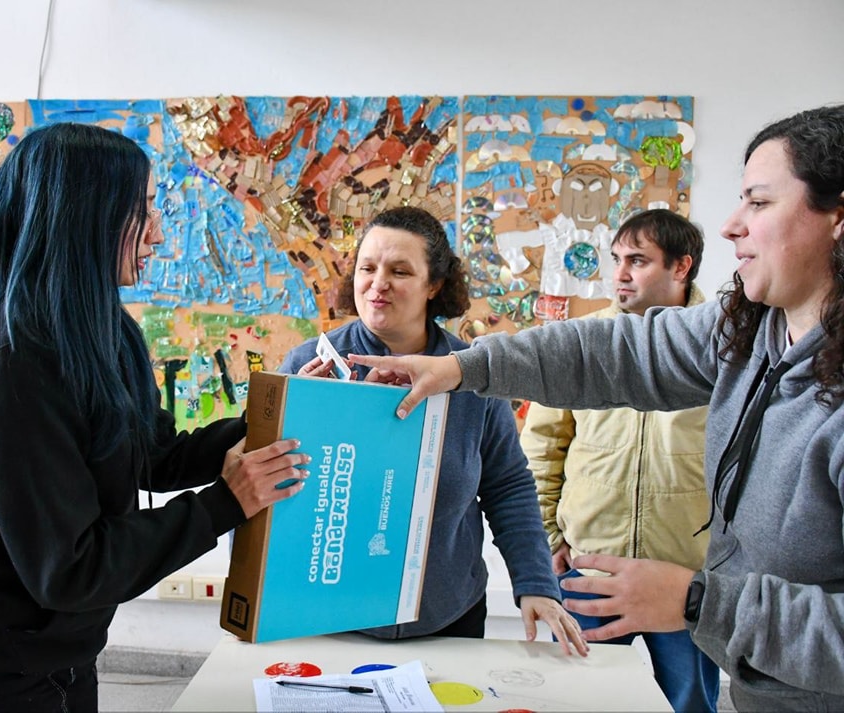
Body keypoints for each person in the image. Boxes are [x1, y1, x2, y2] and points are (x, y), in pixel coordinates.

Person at [349, 104, 844, 711]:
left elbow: (506, 483)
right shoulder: (749, 333)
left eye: (759, 203)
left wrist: (700, 602)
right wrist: (464, 368)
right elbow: (608, 351)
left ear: (837, 217)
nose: (732, 225)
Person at [0, 122, 309, 711]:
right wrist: (223, 504)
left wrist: (280, 415)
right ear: (84, 220)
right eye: (142, 212)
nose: (157, 234)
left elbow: (152, 454)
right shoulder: (9, 359)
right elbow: (71, 567)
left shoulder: (98, 330)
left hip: (54, 645)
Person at [279, 206, 587, 655]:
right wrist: (313, 418)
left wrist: (536, 582)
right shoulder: (309, 368)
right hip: (331, 617)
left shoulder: (473, 373)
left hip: (448, 617)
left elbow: (508, 486)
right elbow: (265, 487)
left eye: (400, 270)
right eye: (367, 267)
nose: (378, 283)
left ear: (434, 285)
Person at [520, 208, 719, 712]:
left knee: (688, 702)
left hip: (685, 579)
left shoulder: (726, 347)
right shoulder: (584, 342)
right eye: (616, 260)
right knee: (576, 700)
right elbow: (543, 447)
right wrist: (548, 538)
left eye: (638, 260)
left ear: (681, 267)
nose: (620, 274)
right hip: (590, 569)